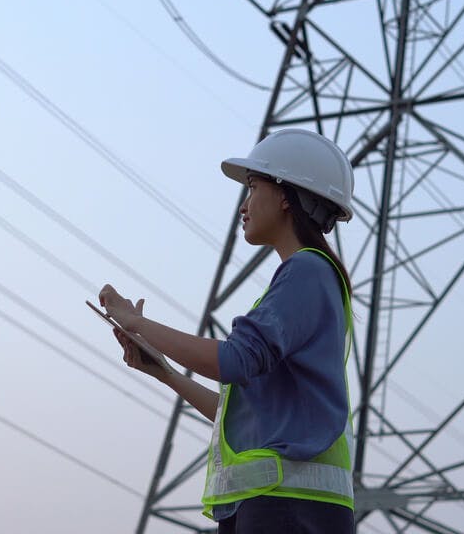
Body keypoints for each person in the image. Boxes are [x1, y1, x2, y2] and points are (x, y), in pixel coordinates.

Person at [98, 128, 356, 534]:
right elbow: (243, 414)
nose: (244, 205)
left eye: (253, 187)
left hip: (287, 510)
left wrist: (137, 322)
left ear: (286, 196)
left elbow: (233, 361)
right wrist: (163, 371)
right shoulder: (303, 282)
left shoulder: (306, 272)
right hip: (282, 509)